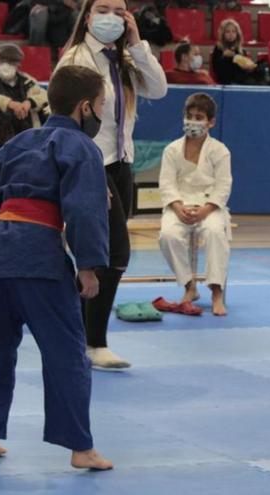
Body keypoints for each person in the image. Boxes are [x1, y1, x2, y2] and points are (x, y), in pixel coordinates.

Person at [0, 64, 113, 471]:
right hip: (37, 256)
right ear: (85, 107)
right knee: (67, 352)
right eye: (101, 105)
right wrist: (88, 266)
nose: (101, 113)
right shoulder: (81, 147)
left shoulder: (16, 143)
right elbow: (83, 210)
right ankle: (80, 447)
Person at [55, 0, 167, 370]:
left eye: (119, 11)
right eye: (103, 9)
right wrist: (82, 172)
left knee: (104, 255)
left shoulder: (123, 59)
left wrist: (136, 43)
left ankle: (75, 337)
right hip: (91, 162)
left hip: (121, 162)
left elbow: (159, 89)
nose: (111, 17)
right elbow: (66, 117)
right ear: (87, 16)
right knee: (115, 253)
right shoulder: (77, 58)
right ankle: (93, 342)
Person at [158, 93, 231, 316]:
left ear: (211, 122)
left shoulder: (220, 151)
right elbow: (166, 183)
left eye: (199, 118)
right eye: (189, 116)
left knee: (215, 232)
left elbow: (223, 186)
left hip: (209, 206)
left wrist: (206, 210)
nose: (192, 122)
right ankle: (189, 286)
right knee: (168, 235)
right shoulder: (172, 150)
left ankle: (216, 291)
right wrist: (177, 206)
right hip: (179, 204)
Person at [0, 43, 49, 157]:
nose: (6, 65)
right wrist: (8, 103)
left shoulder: (28, 81)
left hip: (25, 139)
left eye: (11, 62)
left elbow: (44, 96)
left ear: (18, 64)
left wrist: (29, 102)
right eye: (3, 60)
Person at [210, 18, 261, 86]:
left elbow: (244, 71)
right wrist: (225, 57)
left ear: (237, 34)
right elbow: (217, 70)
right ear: (223, 34)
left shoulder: (241, 50)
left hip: (241, 82)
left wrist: (248, 67)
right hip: (225, 82)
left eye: (233, 31)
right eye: (228, 32)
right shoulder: (218, 49)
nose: (231, 34)